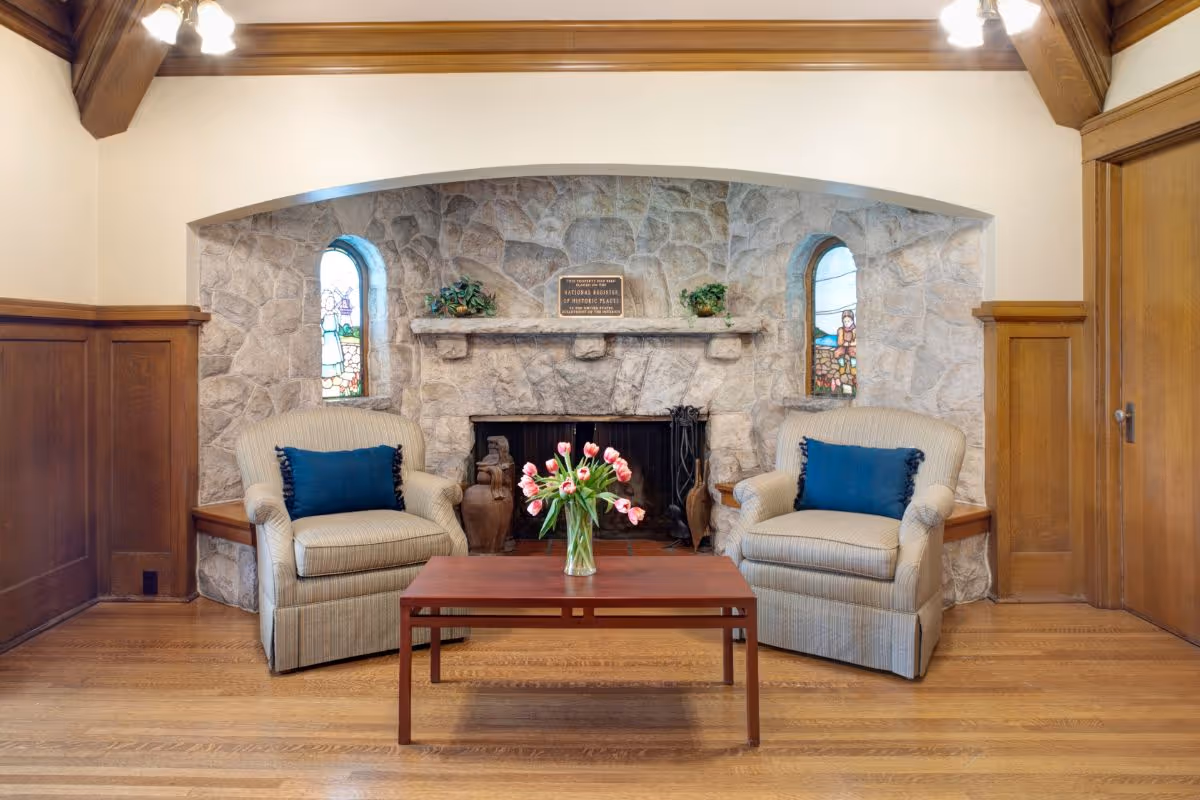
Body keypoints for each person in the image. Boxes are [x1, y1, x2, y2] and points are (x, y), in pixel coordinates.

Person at [320, 291, 344, 379]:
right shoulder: (323, 316)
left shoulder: (335, 315)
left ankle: (336, 372)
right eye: (329, 302)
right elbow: (320, 326)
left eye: (333, 302)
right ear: (324, 302)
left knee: (335, 356)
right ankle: (327, 374)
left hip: (334, 338)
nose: (331, 304)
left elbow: (337, 326)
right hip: (327, 338)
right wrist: (322, 336)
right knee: (327, 356)